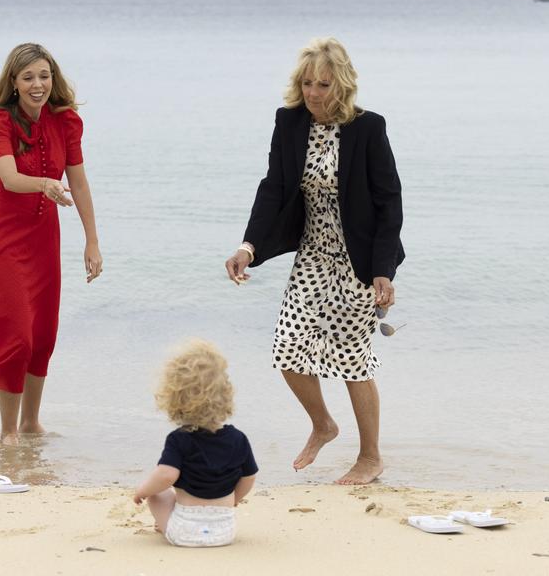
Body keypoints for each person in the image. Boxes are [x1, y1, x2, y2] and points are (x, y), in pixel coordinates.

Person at [224, 37, 403, 485]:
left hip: (357, 261)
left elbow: (389, 201)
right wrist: (249, 246)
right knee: (288, 348)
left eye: (323, 84)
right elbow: (273, 188)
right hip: (312, 257)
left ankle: (370, 458)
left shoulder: (368, 128)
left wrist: (383, 269)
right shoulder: (289, 123)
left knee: (351, 359)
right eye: (307, 83)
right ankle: (323, 425)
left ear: (340, 85)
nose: (314, 92)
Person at [0, 43, 102, 445]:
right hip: (3, 236)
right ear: (14, 82)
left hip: (44, 237)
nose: (38, 84)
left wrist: (92, 240)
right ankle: (8, 432)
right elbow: (7, 178)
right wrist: (43, 184)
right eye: (28, 77)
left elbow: (78, 181)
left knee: (42, 332)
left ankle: (31, 424)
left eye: (44, 76)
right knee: (16, 332)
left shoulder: (66, 122)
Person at [133, 340, 258, 548]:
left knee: (157, 494)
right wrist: (235, 498)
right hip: (224, 531)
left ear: (174, 397)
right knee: (168, 493)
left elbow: (166, 475)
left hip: (184, 531)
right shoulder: (238, 439)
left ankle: (163, 523)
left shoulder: (179, 439)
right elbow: (249, 477)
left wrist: (142, 491)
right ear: (226, 394)